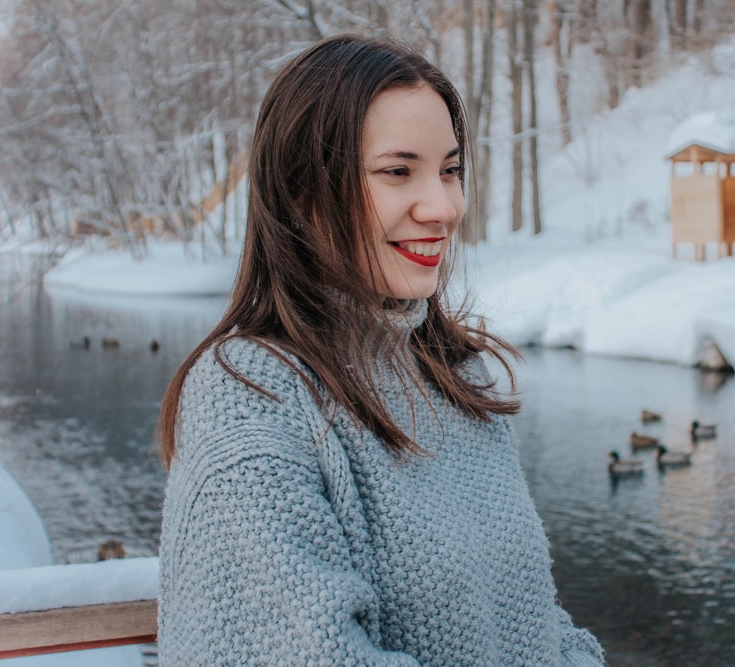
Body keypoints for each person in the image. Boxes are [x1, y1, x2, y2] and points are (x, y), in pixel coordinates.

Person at [156, 34, 605, 666]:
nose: (444, 207)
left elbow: (530, 617)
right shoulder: (250, 398)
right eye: (399, 172)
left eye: (450, 170)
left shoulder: (451, 373)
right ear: (302, 191)